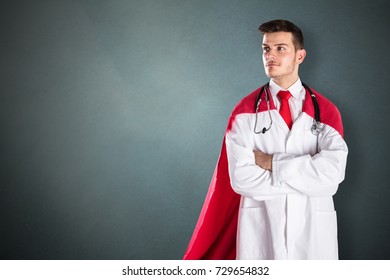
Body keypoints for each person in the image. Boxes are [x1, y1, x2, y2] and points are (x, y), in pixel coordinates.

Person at [183, 19, 348, 260]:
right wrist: (307, 179)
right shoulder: (245, 111)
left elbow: (332, 177)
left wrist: (272, 163)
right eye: (266, 49)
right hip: (260, 231)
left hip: (314, 233)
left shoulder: (326, 111)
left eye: (280, 48)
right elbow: (241, 180)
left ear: (300, 56)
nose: (270, 55)